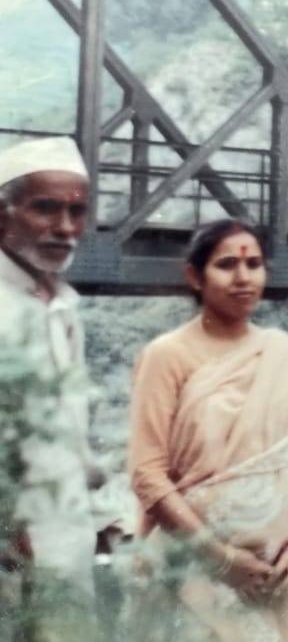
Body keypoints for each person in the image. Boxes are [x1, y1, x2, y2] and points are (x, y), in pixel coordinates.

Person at [126, 220, 288, 641]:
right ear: (195, 275)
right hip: (195, 569)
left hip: (277, 573)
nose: (244, 277)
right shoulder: (167, 355)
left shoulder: (286, 353)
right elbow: (147, 474)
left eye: (254, 263)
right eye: (227, 264)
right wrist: (222, 560)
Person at [0, 136, 98, 625]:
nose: (65, 227)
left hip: (66, 540)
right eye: (45, 208)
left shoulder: (65, 304)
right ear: (3, 213)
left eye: (76, 212)